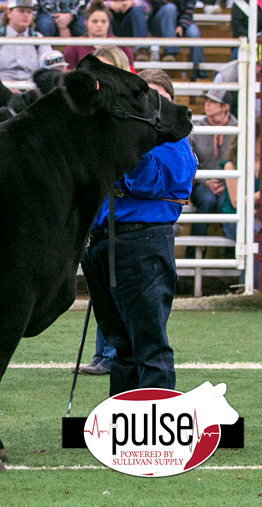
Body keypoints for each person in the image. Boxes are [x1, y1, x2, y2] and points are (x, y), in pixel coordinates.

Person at [81, 69, 197, 395]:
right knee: (121, 344)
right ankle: (126, 421)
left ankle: (155, 425)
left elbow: (149, 181)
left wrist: (123, 145)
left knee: (148, 343)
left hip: (141, 240)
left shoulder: (174, 142)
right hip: (102, 241)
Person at [76, 46, 132, 376]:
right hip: (95, 209)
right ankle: (103, 352)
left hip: (119, 210)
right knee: (100, 287)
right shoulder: (89, 111)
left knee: (114, 284)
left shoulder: (122, 112)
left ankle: (112, 352)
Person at [188, 89, 238, 242]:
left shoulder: (238, 128)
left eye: (214, 102)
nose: (207, 105)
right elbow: (190, 161)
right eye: (206, 101)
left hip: (230, 183)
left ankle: (232, 252)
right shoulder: (196, 128)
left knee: (226, 201)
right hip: (202, 182)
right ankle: (195, 249)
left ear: (226, 107)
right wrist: (205, 181)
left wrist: (227, 182)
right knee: (207, 200)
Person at [0, 0, 52, 82]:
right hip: (0, 88)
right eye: (21, 11)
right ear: (8, 13)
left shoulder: (38, 39)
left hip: (31, 90)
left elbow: (48, 69)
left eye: (29, 12)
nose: (26, 15)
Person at [220, 135, 260, 290]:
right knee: (253, 232)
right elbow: (235, 201)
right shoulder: (231, 165)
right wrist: (259, 196)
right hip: (235, 218)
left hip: (255, 216)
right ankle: (248, 286)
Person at [63, 0, 135, 70]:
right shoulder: (74, 46)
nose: (99, 25)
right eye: (95, 21)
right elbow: (69, 75)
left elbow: (131, 73)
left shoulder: (121, 45)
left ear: (108, 23)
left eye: (103, 21)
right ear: (86, 22)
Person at [147, 0, 205, 78]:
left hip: (181, 21)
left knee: (194, 34)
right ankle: (170, 52)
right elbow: (152, 6)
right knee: (170, 8)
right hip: (159, 20)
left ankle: (199, 73)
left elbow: (189, 11)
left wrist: (181, 25)